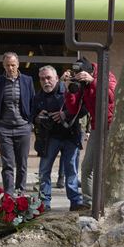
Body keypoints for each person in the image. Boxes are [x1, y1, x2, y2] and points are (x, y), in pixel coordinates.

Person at [62, 56, 117, 208]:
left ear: (89, 70)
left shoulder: (105, 74)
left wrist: (92, 81)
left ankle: (107, 204)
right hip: (96, 127)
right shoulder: (79, 80)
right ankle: (88, 205)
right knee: (87, 168)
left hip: (112, 125)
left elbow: (112, 96)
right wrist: (69, 89)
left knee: (107, 168)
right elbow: (73, 109)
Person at [32, 65, 88, 211]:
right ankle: (44, 204)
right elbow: (31, 116)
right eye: (42, 79)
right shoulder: (38, 97)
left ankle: (75, 202)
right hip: (49, 138)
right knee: (44, 171)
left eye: (49, 78)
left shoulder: (70, 89)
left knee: (72, 171)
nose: (46, 82)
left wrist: (65, 114)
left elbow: (83, 109)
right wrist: (38, 117)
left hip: (70, 136)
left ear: (56, 78)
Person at [0, 52, 35, 195]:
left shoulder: (27, 80)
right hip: (4, 129)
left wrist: (30, 123)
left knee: (22, 164)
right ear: (3, 65)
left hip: (23, 127)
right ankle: (8, 195)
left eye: (13, 65)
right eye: (7, 65)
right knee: (7, 164)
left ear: (18, 64)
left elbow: (33, 102)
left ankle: (20, 194)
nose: (10, 68)